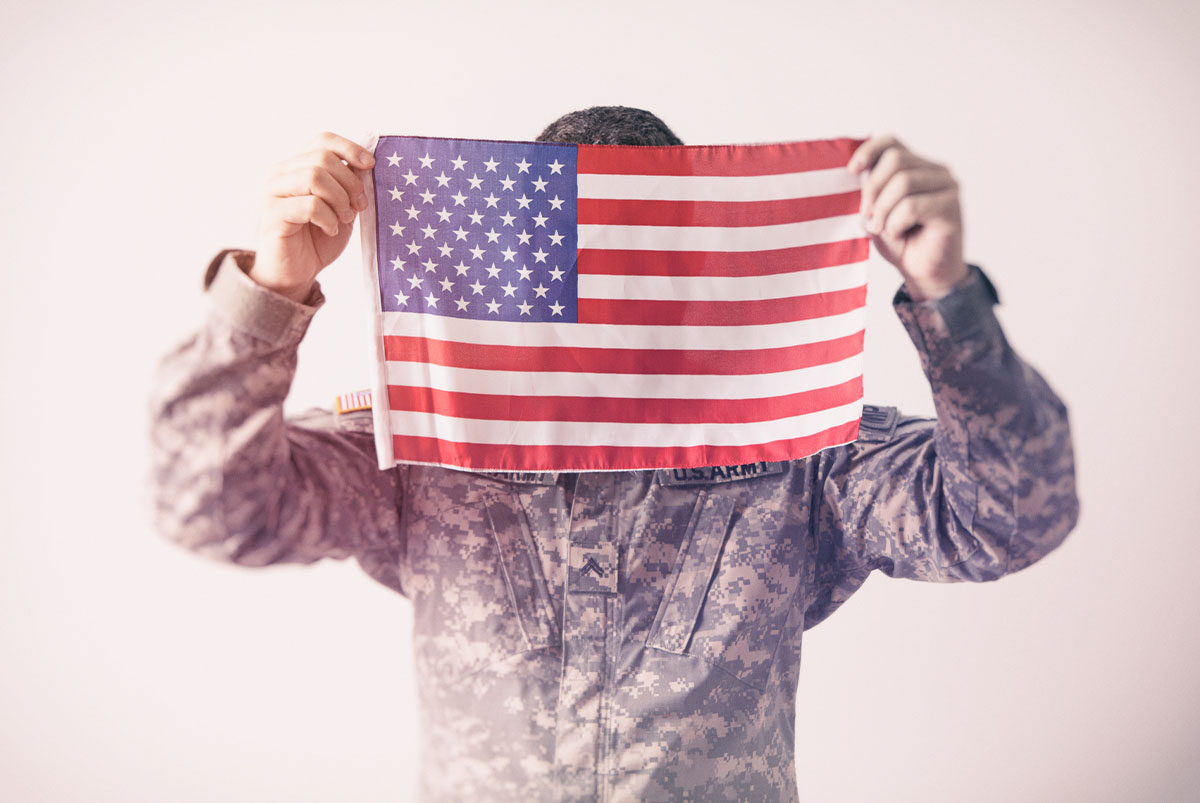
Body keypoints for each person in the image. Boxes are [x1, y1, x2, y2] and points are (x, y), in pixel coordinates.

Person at [148, 106, 1079, 802]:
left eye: (643, 253)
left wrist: (947, 296)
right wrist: (272, 286)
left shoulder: (801, 440)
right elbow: (211, 502)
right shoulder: (425, 436)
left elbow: (1008, 516)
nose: (605, 300)